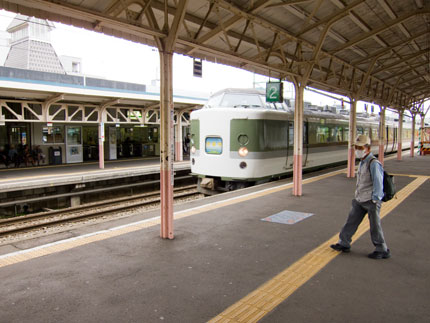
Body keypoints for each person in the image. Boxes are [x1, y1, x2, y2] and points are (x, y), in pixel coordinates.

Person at [330, 134, 390, 259]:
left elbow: (379, 183)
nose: (357, 150)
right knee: (351, 221)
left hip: (371, 201)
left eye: (359, 147)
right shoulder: (363, 162)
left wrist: (375, 200)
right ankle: (344, 243)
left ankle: (382, 249)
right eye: (356, 147)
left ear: (367, 148)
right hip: (359, 199)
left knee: (375, 226)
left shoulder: (374, 163)